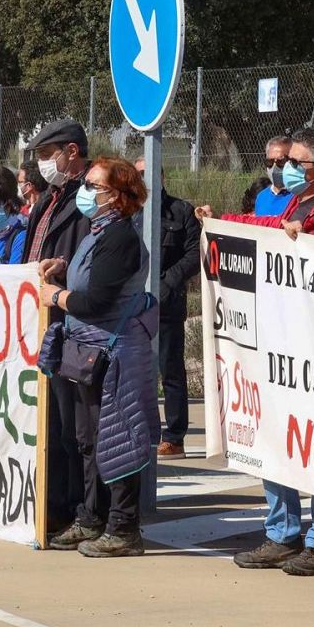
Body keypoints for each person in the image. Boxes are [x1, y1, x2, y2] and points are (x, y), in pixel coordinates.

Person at [199, 126, 314, 576]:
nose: (286, 169)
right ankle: (282, 533)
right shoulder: (301, 204)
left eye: (296, 163)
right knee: (279, 438)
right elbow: (272, 227)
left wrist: (311, 247)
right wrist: (223, 222)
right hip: (284, 346)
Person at [39, 157, 158, 557]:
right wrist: (64, 267)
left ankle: (123, 528)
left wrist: (55, 297)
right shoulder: (98, 232)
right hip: (89, 349)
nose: (85, 193)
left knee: (119, 438)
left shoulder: (120, 237)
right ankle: (91, 517)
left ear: (118, 196)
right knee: (88, 439)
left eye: (94, 186)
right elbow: (92, 276)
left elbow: (97, 299)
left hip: (115, 352)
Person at [24, 120, 95, 533]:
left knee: (73, 426)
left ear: (71, 151)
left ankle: (72, 507)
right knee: (50, 420)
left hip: (72, 317)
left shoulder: (88, 198)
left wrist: (65, 270)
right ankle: (53, 501)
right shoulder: (50, 199)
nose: (42, 163)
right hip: (42, 317)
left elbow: (89, 253)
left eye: (46, 153)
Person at [135, 158, 200, 460]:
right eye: (138, 174)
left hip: (167, 305)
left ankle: (174, 437)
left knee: (170, 371)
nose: (144, 179)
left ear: (161, 175)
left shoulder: (181, 211)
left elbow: (193, 254)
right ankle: (137, 432)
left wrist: (166, 282)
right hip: (131, 306)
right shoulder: (126, 212)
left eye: (149, 173)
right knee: (133, 370)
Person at [254, 135, 296, 217]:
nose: (274, 167)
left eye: (281, 162)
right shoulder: (261, 197)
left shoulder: (300, 197)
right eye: (269, 162)